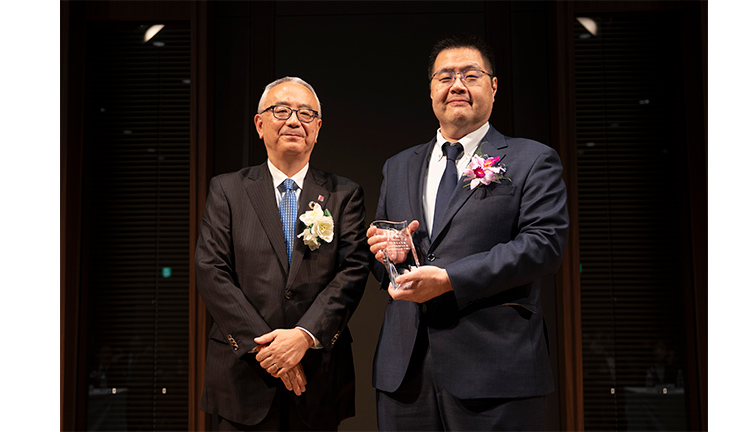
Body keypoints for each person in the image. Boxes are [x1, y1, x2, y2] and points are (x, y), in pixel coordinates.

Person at [367, 34, 569, 431]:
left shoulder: (532, 159)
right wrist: (389, 253)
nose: (456, 84)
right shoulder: (399, 166)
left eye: (470, 75)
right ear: (431, 91)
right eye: (445, 77)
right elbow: (383, 260)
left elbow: (543, 244)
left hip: (495, 368)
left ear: (493, 87)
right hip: (405, 371)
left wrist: (448, 280)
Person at [195, 76, 369, 431]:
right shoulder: (227, 189)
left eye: (306, 114)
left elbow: (353, 271)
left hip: (318, 374)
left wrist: (303, 335)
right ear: (260, 124)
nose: (294, 121)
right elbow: (211, 270)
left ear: (317, 129)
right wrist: (269, 350)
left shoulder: (344, 194)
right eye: (281, 110)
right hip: (243, 373)